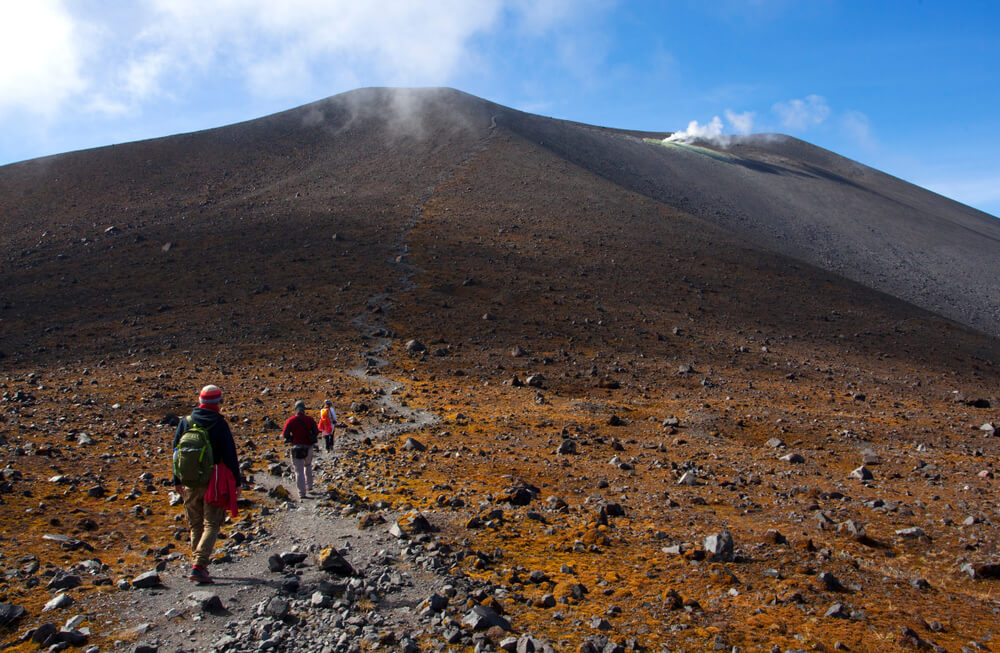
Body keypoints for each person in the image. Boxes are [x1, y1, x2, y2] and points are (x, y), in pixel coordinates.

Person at [173, 384, 242, 584]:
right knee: (211, 523)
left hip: (189, 481)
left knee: (195, 524)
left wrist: (176, 479)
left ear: (200, 400)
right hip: (214, 480)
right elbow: (230, 455)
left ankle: (198, 563)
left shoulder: (186, 422)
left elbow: (176, 452)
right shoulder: (219, 424)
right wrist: (236, 482)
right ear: (218, 402)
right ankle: (199, 565)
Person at [283, 400, 319, 499]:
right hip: (308, 447)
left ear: (296, 409)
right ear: (304, 409)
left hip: (296, 447)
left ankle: (302, 493)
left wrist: (292, 439)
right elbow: (316, 431)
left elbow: (285, 434)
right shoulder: (310, 419)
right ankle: (310, 486)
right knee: (307, 466)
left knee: (298, 470)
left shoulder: (291, 420)